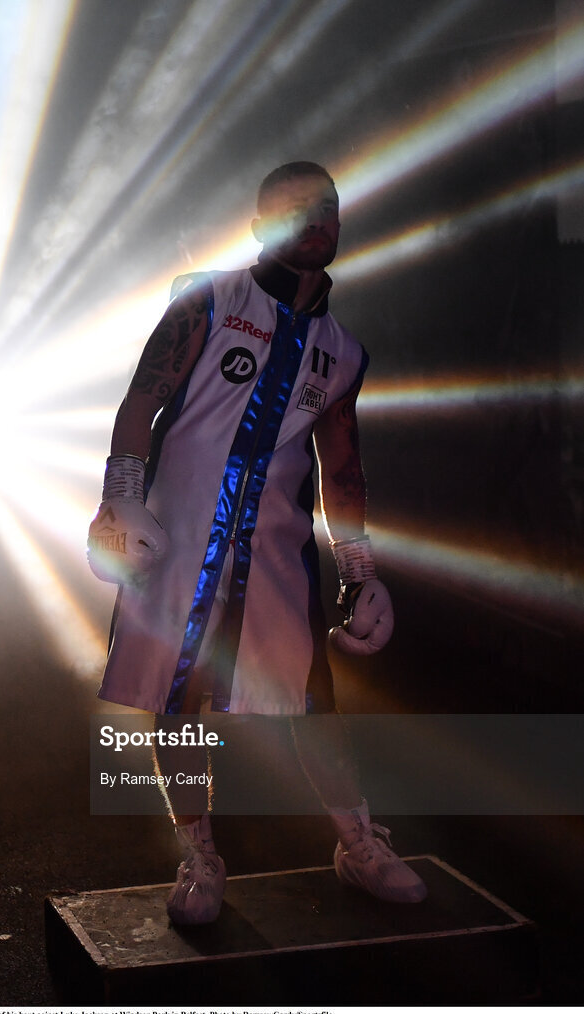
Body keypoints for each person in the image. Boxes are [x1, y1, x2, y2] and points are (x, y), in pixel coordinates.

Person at [87, 161, 426, 925]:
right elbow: (142, 401)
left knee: (312, 705)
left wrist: (359, 570)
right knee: (176, 698)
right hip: (175, 543)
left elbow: (340, 466)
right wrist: (120, 499)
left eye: (327, 207)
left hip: (274, 553)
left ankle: (355, 842)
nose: (315, 220)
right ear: (258, 226)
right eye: (294, 208)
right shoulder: (207, 301)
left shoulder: (342, 350)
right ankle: (199, 857)